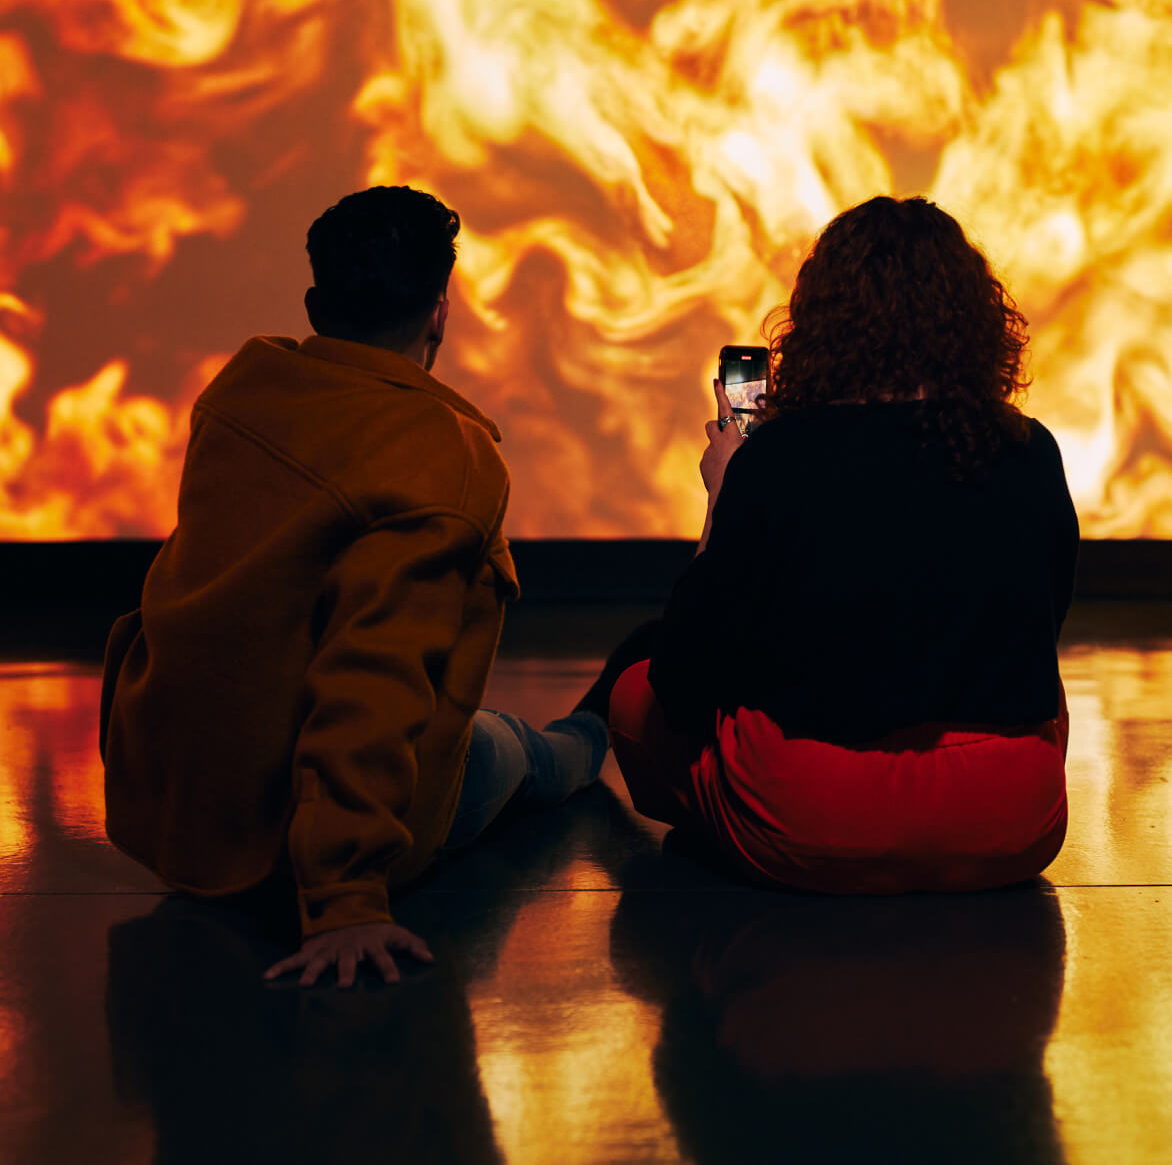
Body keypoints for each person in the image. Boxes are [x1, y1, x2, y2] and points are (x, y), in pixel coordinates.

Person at [100, 185, 609, 987]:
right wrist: (346, 899)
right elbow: (373, 679)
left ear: (314, 302)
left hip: (178, 816)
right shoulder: (445, 453)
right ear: (441, 309)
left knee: (499, 735)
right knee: (516, 752)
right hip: (294, 858)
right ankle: (594, 735)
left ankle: (572, 736)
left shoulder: (241, 392)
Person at [609, 195, 1078, 894]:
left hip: (815, 819)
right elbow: (1043, 625)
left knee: (633, 696)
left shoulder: (780, 457)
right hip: (1012, 819)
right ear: (974, 321)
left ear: (825, 322)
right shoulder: (1029, 448)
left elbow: (685, 675)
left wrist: (722, 498)